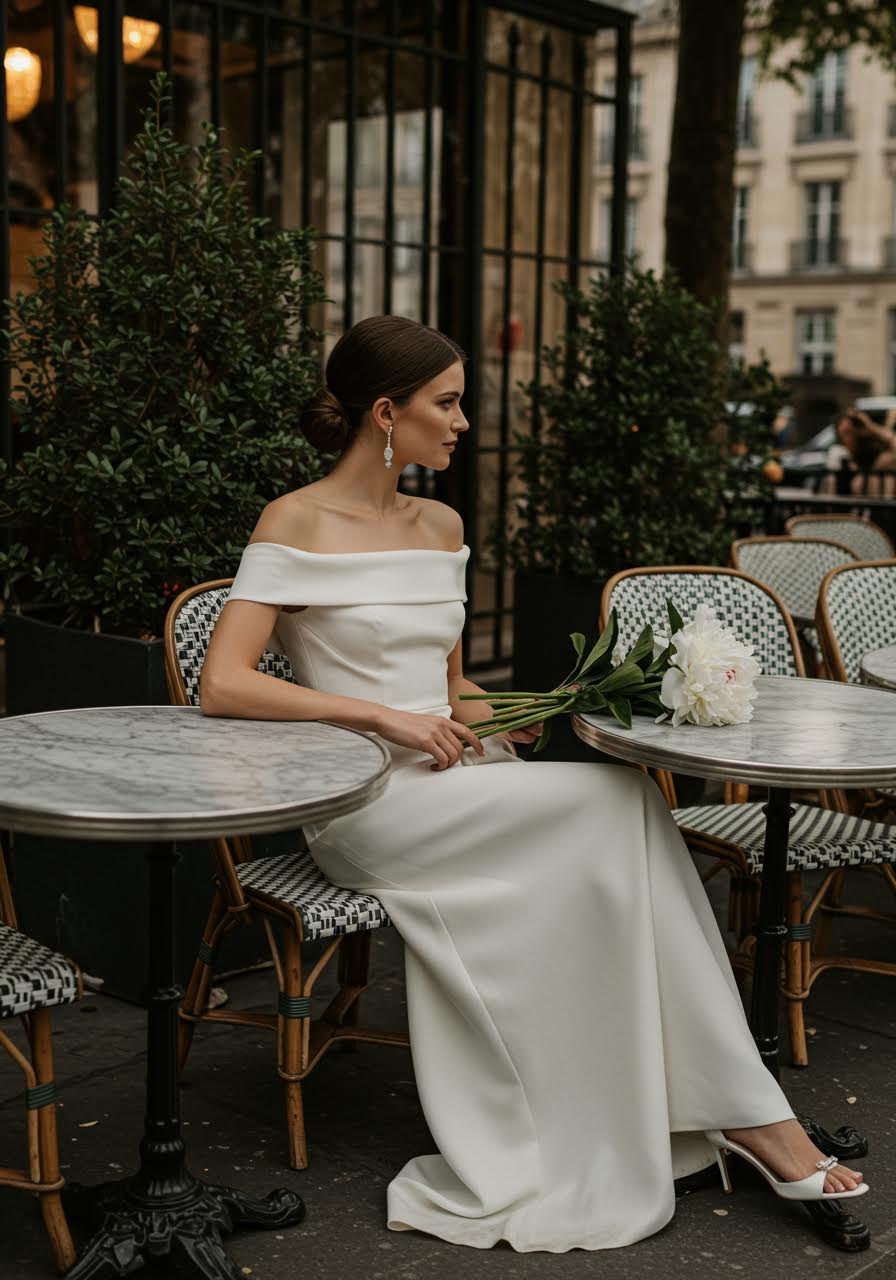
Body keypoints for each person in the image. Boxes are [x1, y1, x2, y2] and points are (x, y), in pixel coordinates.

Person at [200, 315, 866, 1253]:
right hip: (370, 802)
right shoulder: (294, 520)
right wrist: (379, 718)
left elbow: (456, 688)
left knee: (623, 803)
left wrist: (548, 709)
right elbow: (224, 682)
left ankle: (727, 1106)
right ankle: (754, 1118)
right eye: (447, 402)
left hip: (460, 780)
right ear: (385, 413)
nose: (464, 421)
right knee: (620, 807)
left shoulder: (442, 525)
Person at [824, 409, 896, 497]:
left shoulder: (881, 459)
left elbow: (892, 441)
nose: (851, 431)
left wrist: (871, 426)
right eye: (846, 432)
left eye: (854, 427)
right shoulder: (839, 454)